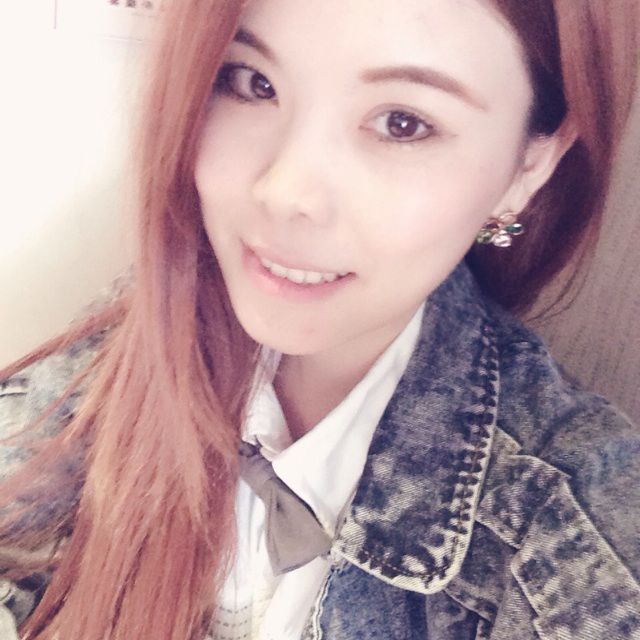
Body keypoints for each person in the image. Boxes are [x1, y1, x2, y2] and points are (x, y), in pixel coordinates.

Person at [0, 0, 639, 638]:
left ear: (529, 166)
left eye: (402, 123)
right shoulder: (146, 324)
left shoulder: (572, 537)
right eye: (252, 82)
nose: (284, 193)